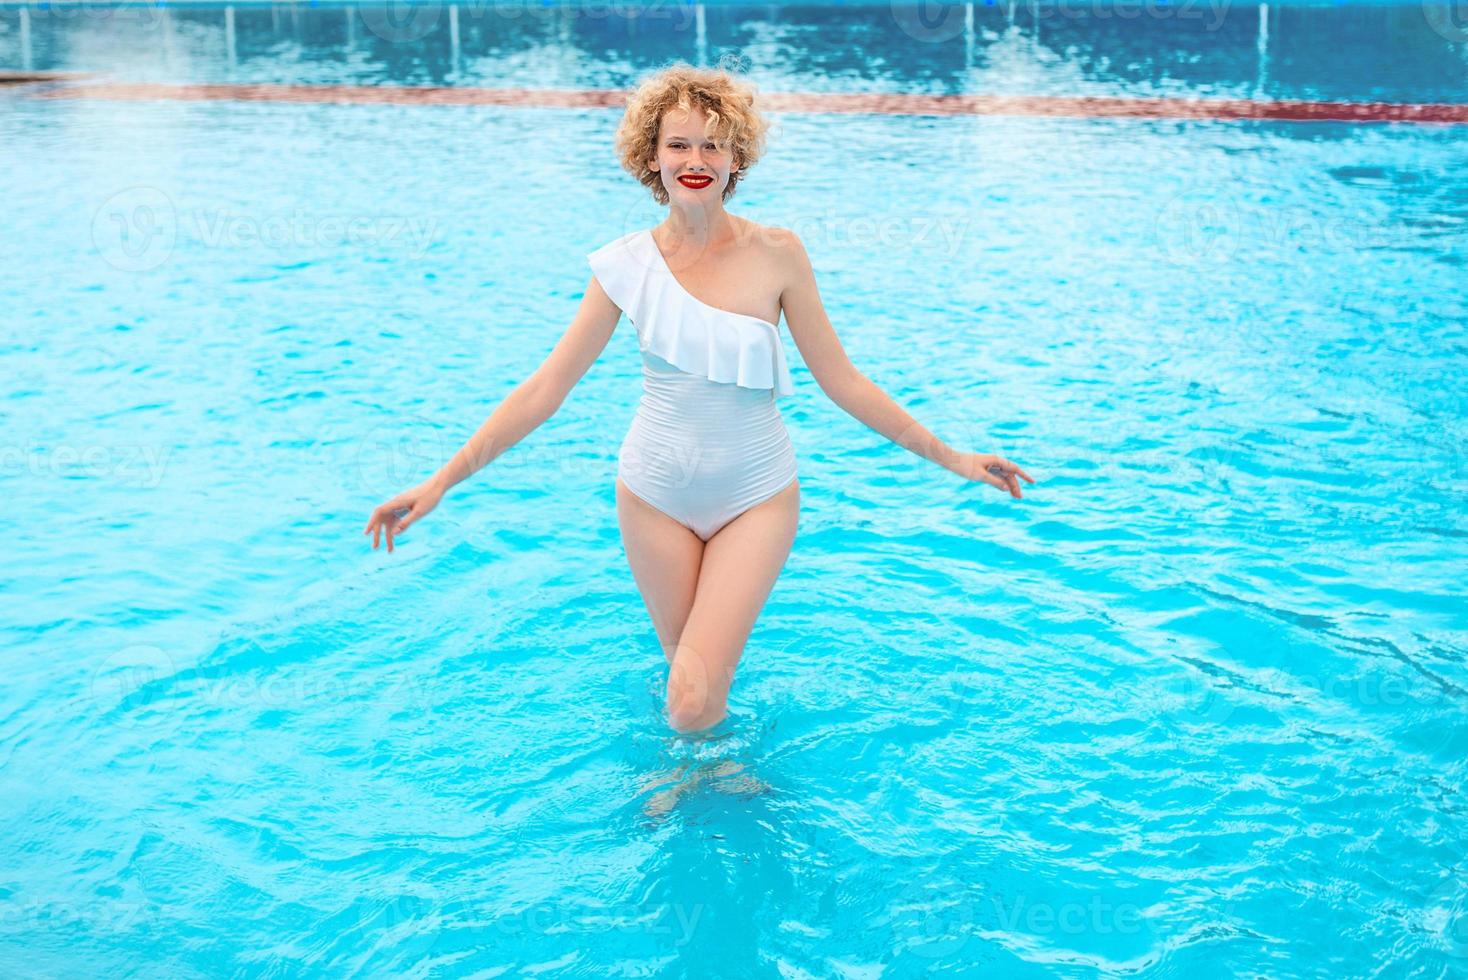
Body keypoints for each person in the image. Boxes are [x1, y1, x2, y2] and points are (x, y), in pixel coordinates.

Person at [364, 63, 1035, 736]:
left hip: (756, 496)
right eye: (678, 144)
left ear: (736, 155)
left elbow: (842, 381)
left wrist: (954, 458)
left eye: (712, 145)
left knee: (687, 701)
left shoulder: (778, 254)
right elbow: (547, 388)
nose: (695, 160)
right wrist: (441, 481)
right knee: (690, 688)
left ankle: (709, 767)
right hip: (653, 500)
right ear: (650, 157)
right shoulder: (623, 266)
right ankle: (712, 776)